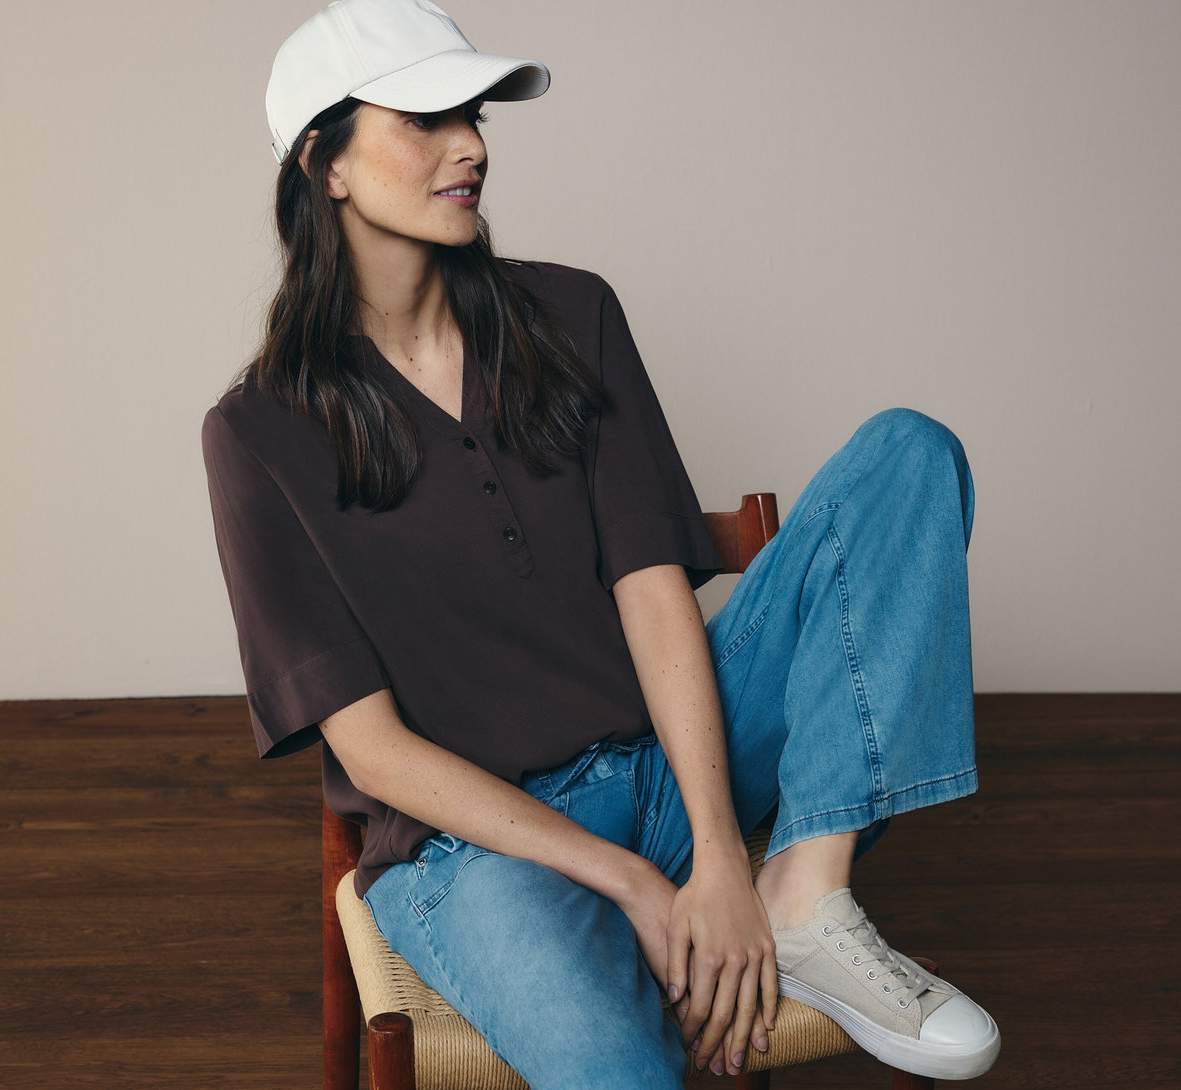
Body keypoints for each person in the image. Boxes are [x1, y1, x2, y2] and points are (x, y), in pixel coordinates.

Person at [202, 1, 1001, 1086]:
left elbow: (652, 589)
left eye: (473, 113)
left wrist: (719, 855)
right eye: (426, 118)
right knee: (623, 1070)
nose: (472, 144)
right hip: (475, 856)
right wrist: (631, 881)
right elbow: (374, 751)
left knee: (909, 455)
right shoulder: (256, 433)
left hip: (668, 771)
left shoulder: (572, 315)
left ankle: (803, 896)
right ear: (323, 162)